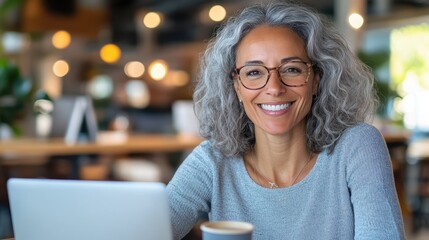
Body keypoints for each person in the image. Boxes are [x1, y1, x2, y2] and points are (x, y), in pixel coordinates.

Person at [166, 1, 405, 239]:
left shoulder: (357, 147)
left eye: (292, 69)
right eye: (254, 72)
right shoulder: (211, 162)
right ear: (236, 86)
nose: (274, 88)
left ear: (316, 80)